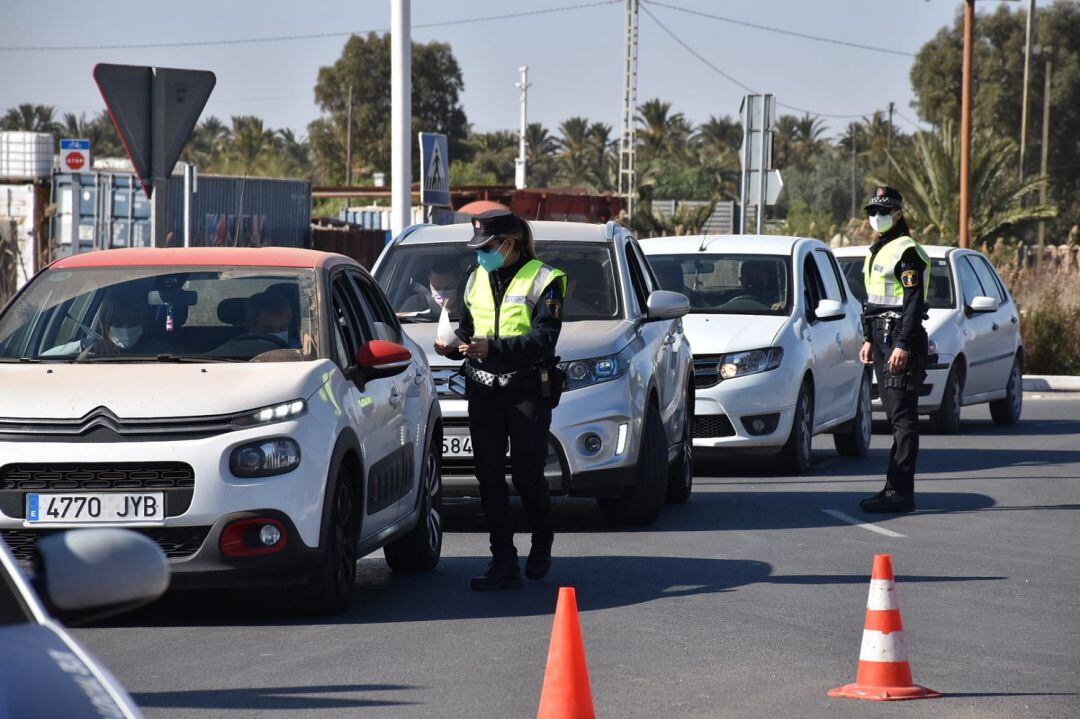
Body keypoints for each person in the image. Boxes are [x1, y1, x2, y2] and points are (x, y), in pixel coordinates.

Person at [434, 209, 566, 591]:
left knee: (527, 474)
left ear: (509, 244)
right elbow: (465, 328)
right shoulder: (475, 277)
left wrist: (493, 347)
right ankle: (503, 561)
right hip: (482, 389)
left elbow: (544, 340)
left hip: (526, 389)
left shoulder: (547, 280)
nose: (480, 255)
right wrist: (451, 346)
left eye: (486, 248)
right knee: (489, 476)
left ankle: (541, 542)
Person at [857, 186, 930, 513]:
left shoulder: (907, 251)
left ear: (898, 213)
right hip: (883, 338)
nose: (877, 217)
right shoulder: (878, 250)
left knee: (903, 419)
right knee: (894, 415)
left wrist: (901, 344)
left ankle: (901, 493)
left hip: (900, 339)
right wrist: (869, 338)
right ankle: (892, 488)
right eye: (873, 211)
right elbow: (875, 302)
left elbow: (913, 303)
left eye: (884, 211)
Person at [42, 286, 172, 358]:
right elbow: (42, 359)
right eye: (118, 322)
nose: (126, 330)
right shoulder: (89, 348)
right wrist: (85, 355)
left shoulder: (162, 352)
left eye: (132, 322)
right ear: (105, 325)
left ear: (144, 323)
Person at [399, 261, 463, 317]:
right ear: (429, 279)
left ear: (459, 280)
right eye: (436, 288)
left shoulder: (469, 303)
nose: (442, 292)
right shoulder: (415, 304)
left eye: (448, 288)